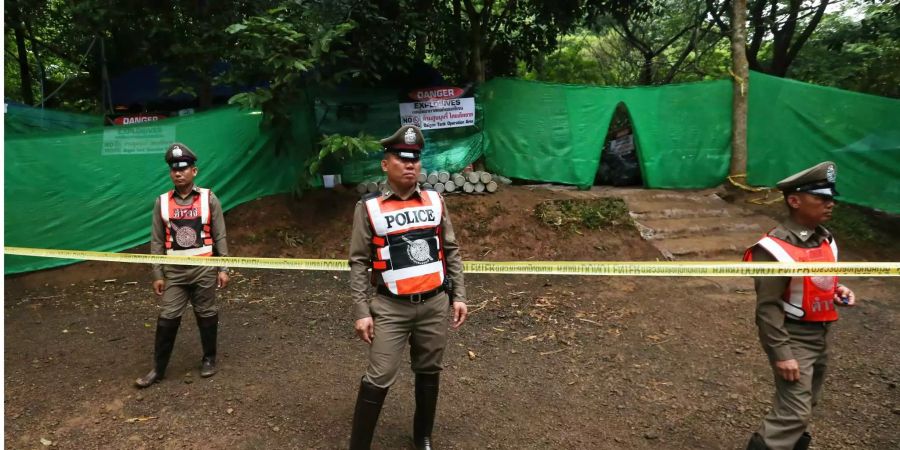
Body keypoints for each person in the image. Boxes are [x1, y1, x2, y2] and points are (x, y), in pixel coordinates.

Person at [347, 125, 468, 450]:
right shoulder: (369, 208)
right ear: (386, 164)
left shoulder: (434, 201)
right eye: (402, 158)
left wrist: (459, 296)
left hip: (434, 304)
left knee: (429, 370)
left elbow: (451, 250)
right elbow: (359, 261)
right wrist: (361, 311)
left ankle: (423, 436)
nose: (411, 164)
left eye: (415, 158)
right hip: (390, 308)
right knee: (379, 376)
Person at [743, 161, 857, 450]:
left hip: (821, 333)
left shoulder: (825, 239)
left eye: (831, 198)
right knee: (793, 413)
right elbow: (767, 308)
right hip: (792, 336)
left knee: (807, 402)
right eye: (820, 198)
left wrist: (836, 289)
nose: (829, 204)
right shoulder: (772, 249)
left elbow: (814, 281)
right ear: (794, 201)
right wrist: (782, 353)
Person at [135, 142, 230, 388]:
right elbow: (156, 240)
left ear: (194, 171)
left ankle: (209, 359)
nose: (178, 173)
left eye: (184, 168)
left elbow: (220, 236)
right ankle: (158, 369)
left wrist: (223, 268)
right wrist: (157, 273)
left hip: (204, 269)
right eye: (174, 169)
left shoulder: (209, 198)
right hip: (174, 273)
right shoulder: (162, 202)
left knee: (207, 314)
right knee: (167, 317)